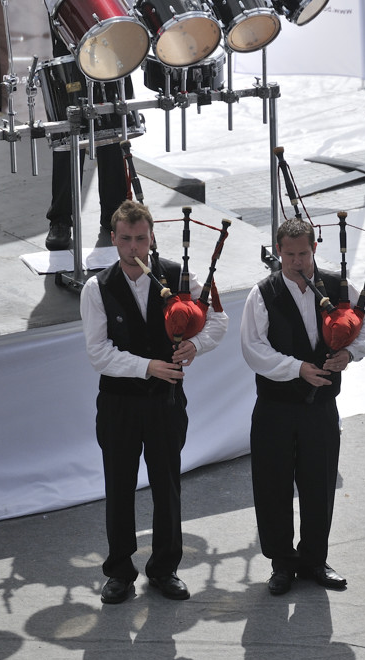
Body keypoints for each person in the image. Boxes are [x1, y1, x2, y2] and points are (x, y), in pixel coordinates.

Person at [80, 200, 228, 604]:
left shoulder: (179, 277)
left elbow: (218, 317)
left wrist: (195, 345)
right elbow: (98, 353)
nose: (133, 248)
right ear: (113, 239)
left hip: (165, 402)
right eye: (125, 240)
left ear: (151, 238)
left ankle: (165, 568)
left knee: (167, 485)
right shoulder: (97, 288)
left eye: (140, 239)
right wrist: (149, 366)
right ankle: (119, 572)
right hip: (118, 404)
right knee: (120, 485)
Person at [241, 217, 365, 595]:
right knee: (273, 485)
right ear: (278, 253)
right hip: (275, 408)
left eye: (304, 253)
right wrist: (297, 369)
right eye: (290, 255)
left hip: (320, 408)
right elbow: (254, 349)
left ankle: (315, 559)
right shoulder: (263, 293)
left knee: (319, 483)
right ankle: (282, 563)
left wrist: (349, 353)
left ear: (314, 250)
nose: (298, 262)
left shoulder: (337, 285)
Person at [44, 8, 131, 251]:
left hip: (109, 33)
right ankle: (61, 220)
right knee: (69, 133)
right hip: (70, 24)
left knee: (112, 131)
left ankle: (115, 215)